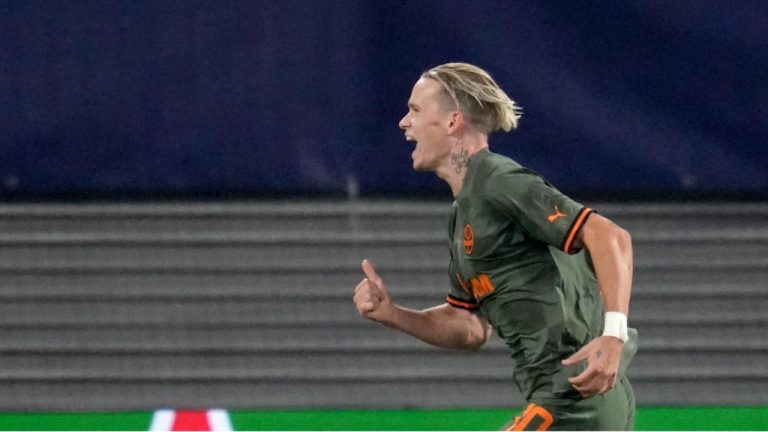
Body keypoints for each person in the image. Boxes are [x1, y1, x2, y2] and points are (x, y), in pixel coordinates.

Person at [353, 62, 638, 430]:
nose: (404, 123)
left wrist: (612, 336)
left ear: (453, 121)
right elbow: (470, 327)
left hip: (574, 397)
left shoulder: (497, 180)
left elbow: (611, 237)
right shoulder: (461, 214)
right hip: (564, 397)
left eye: (415, 110)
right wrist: (393, 314)